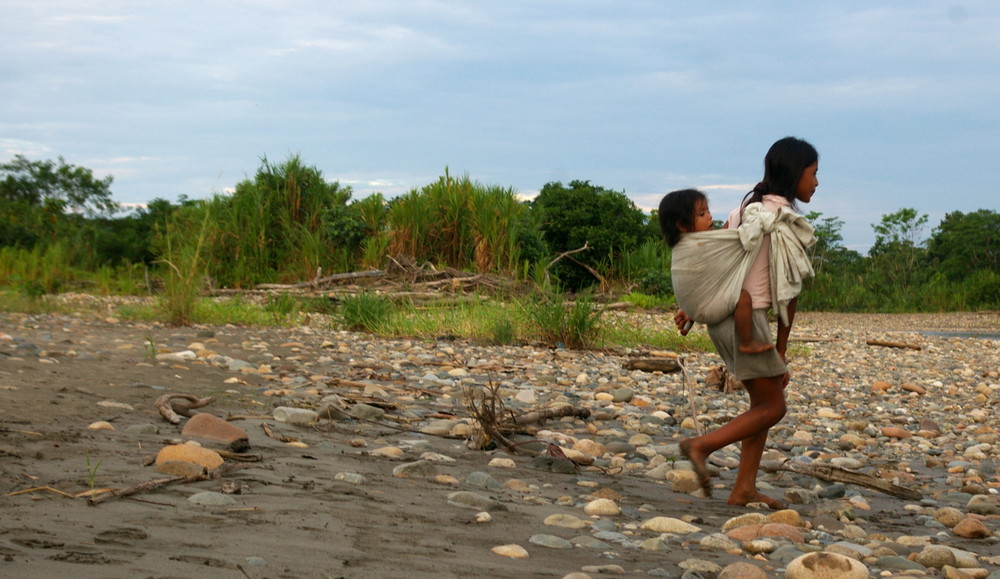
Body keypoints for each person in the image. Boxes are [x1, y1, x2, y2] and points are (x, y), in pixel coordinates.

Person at [673, 136, 819, 509]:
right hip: (746, 321)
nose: (816, 183)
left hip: (725, 319)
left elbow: (720, 263)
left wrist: (692, 308)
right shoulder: (785, 222)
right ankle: (701, 445)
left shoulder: (745, 210)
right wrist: (782, 348)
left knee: (761, 404)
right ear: (795, 175)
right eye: (814, 174)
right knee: (774, 408)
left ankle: (744, 488)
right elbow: (790, 290)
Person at [658, 188, 775, 354]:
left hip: (693, 307)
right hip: (705, 308)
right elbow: (731, 244)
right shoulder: (698, 246)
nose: (709, 216)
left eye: (708, 211)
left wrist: (691, 310)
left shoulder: (683, 245)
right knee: (743, 298)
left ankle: (690, 316)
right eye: (701, 214)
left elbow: (706, 281)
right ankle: (747, 342)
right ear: (682, 225)